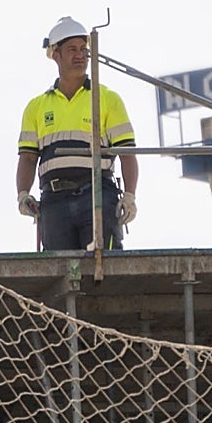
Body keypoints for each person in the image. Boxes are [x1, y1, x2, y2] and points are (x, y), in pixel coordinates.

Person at [16, 16, 139, 251]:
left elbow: (127, 153)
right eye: (72, 49)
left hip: (97, 195)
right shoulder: (37, 106)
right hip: (54, 200)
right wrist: (23, 194)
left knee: (104, 267)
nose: (80, 55)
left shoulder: (106, 99)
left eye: (84, 49)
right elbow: (28, 157)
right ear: (55, 54)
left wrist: (130, 196)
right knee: (60, 270)